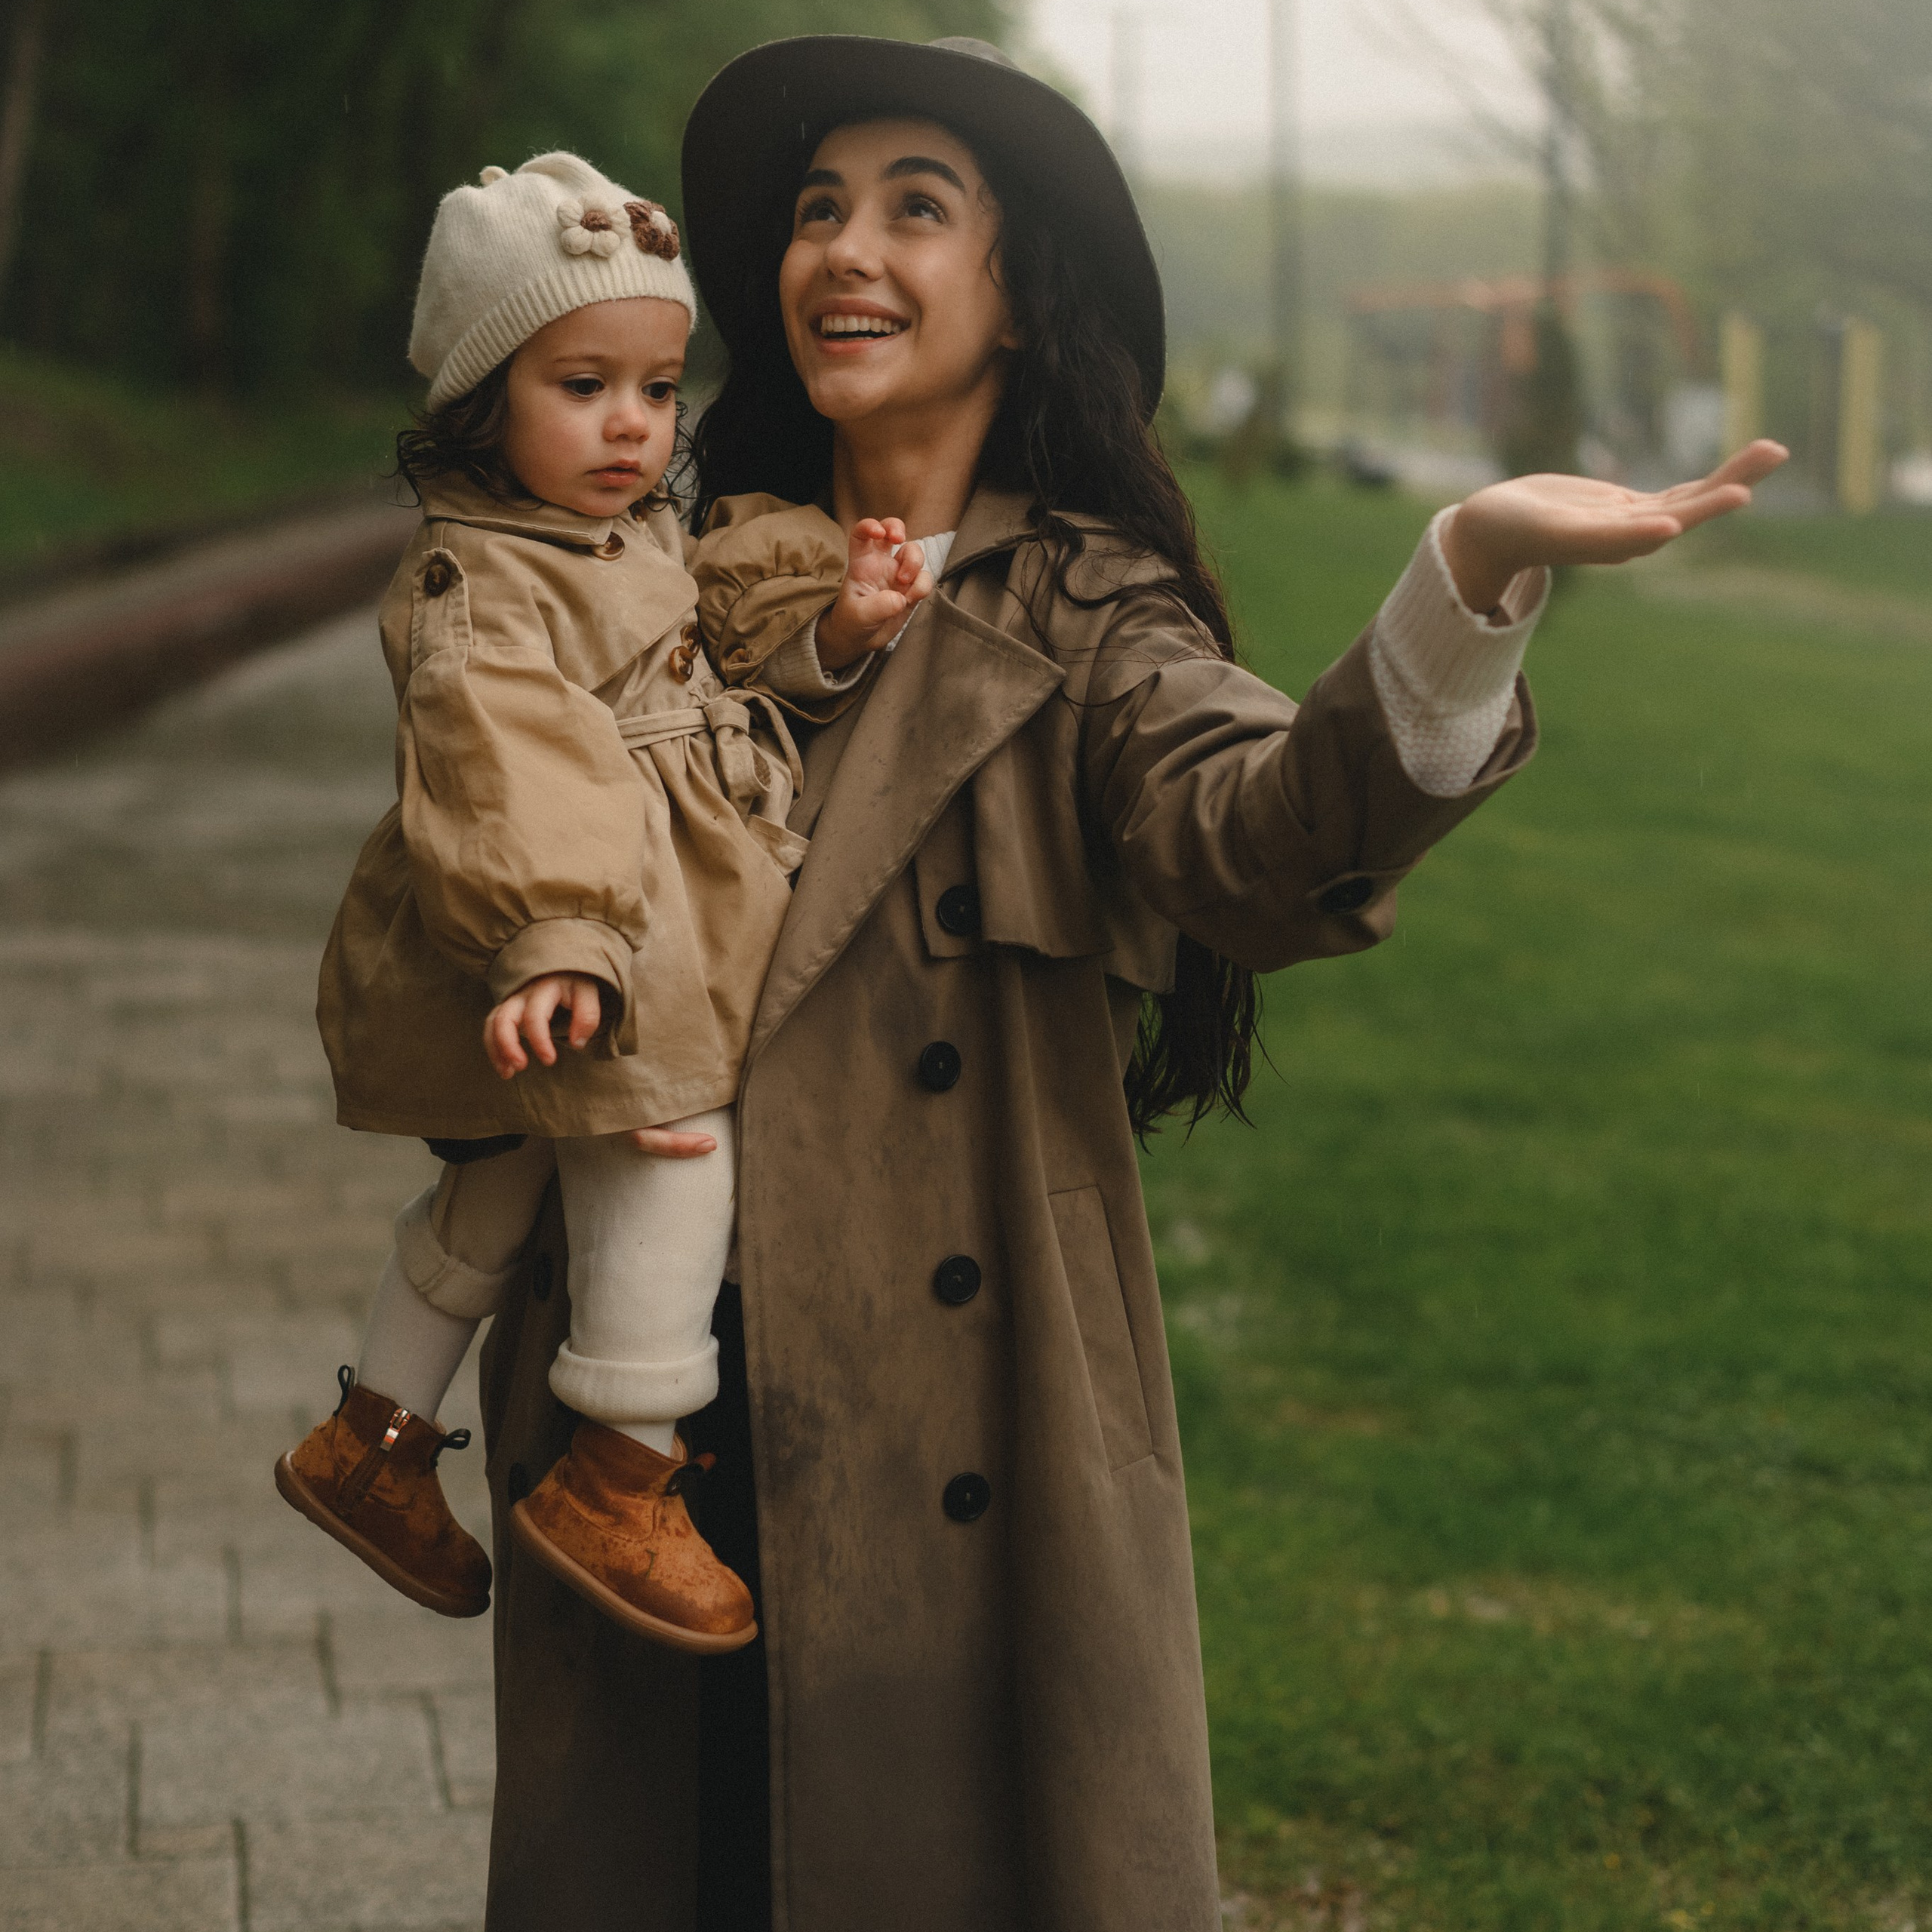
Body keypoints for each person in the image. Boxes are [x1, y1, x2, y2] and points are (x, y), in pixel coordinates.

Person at [477, 38, 1789, 1932]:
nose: (845, 247)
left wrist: (1465, 576)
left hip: (948, 1427)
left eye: (916, 207)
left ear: (1018, 297)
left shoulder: (1087, 616)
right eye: (819, 207)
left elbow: (1266, 837)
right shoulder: (664, 577)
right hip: (638, 1401)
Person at [273, 150, 932, 1657]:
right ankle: (620, 1472)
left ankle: (373, 1438)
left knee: (506, 1183)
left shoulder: (613, 532)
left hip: (590, 923)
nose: (632, 423)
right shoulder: (479, 582)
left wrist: (833, 625)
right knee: (671, 1148)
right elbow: (506, 762)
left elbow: (707, 658)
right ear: (479, 398)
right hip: (564, 924)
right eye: (583, 386)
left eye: (656, 386)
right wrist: (561, 939)